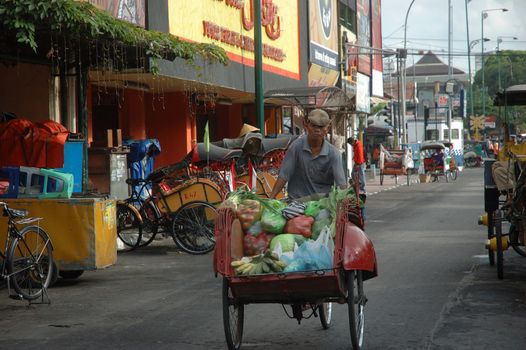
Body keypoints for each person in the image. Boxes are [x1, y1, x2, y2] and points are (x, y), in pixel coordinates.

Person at [269, 109, 347, 200]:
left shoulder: (334, 154)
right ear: (306, 125)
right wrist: (271, 199)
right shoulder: (296, 147)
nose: (317, 130)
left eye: (321, 127)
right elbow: (283, 176)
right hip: (296, 202)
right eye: (313, 126)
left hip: (322, 205)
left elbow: (341, 185)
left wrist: (345, 205)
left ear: (327, 129)